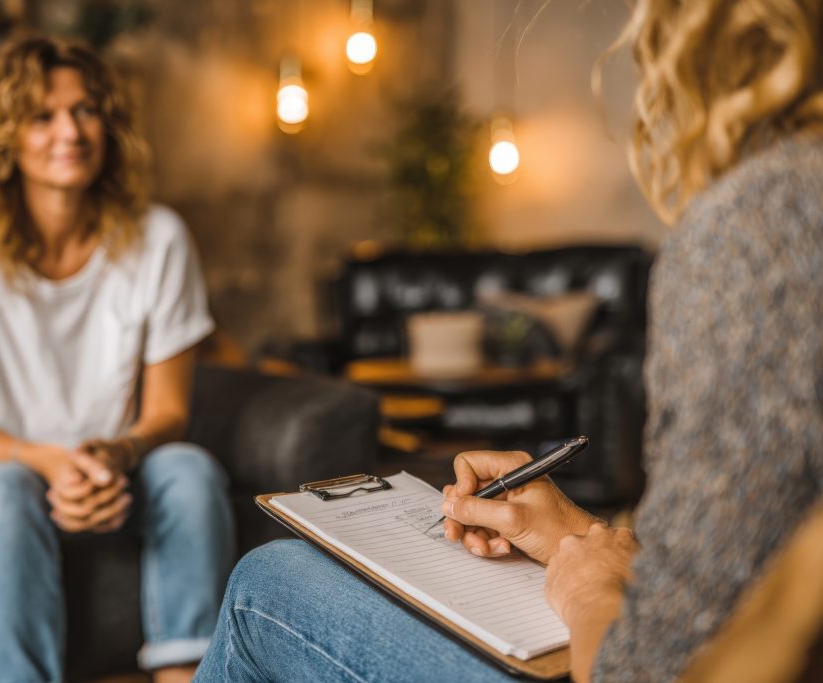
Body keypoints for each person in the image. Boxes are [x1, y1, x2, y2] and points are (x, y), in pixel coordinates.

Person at [192, 0, 823, 680]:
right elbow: (764, 561)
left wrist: (588, 588)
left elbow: (645, 669)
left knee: (270, 581)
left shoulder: (769, 218)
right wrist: (575, 535)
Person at [0, 35, 234, 683]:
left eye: (85, 111)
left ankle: (188, 672)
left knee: (189, 469)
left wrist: (116, 454)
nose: (70, 131)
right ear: (4, 137)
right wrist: (51, 462)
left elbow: (167, 411)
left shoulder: (159, 239)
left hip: (108, 473)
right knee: (6, 491)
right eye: (41, 116)